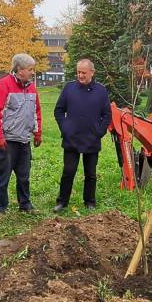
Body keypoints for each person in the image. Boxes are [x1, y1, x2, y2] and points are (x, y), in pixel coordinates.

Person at [53, 59, 111, 212]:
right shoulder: (69, 89)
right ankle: (62, 202)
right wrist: (65, 127)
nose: (80, 75)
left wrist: (100, 131)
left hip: (92, 139)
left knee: (90, 173)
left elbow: (107, 115)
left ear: (92, 72)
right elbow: (58, 110)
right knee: (68, 171)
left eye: (83, 72)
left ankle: (90, 201)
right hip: (72, 138)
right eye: (78, 72)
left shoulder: (101, 91)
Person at [0, 53, 42, 215]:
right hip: (7, 141)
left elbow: (36, 111)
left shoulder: (32, 88)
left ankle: (25, 204)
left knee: (24, 176)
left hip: (24, 140)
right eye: (30, 69)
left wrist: (37, 132)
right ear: (20, 70)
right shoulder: (3, 85)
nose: (33, 73)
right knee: (3, 176)